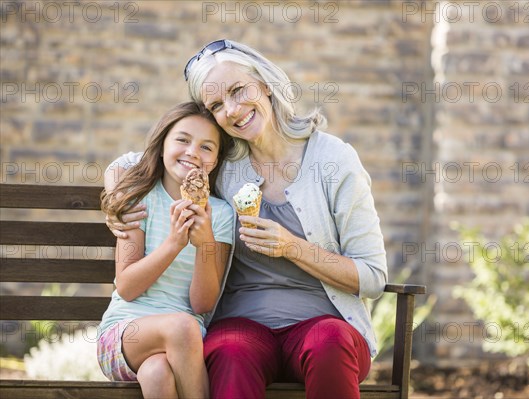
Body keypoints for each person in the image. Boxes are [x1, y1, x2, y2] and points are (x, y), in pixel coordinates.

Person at [105, 39, 388, 399]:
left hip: (325, 324)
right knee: (230, 351)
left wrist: (293, 248)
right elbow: (134, 162)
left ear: (266, 84)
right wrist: (117, 199)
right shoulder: (223, 164)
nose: (234, 110)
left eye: (239, 90)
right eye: (218, 105)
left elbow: (373, 278)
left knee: (328, 343)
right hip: (243, 323)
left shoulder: (334, 160)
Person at [98, 101, 234, 399]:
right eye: (182, 140)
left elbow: (201, 304)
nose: (193, 153)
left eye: (206, 147)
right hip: (123, 335)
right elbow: (127, 287)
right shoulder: (139, 200)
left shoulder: (221, 215)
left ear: (216, 160)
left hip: (184, 343)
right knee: (182, 328)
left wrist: (205, 244)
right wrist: (174, 243)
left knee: (157, 373)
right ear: (162, 147)